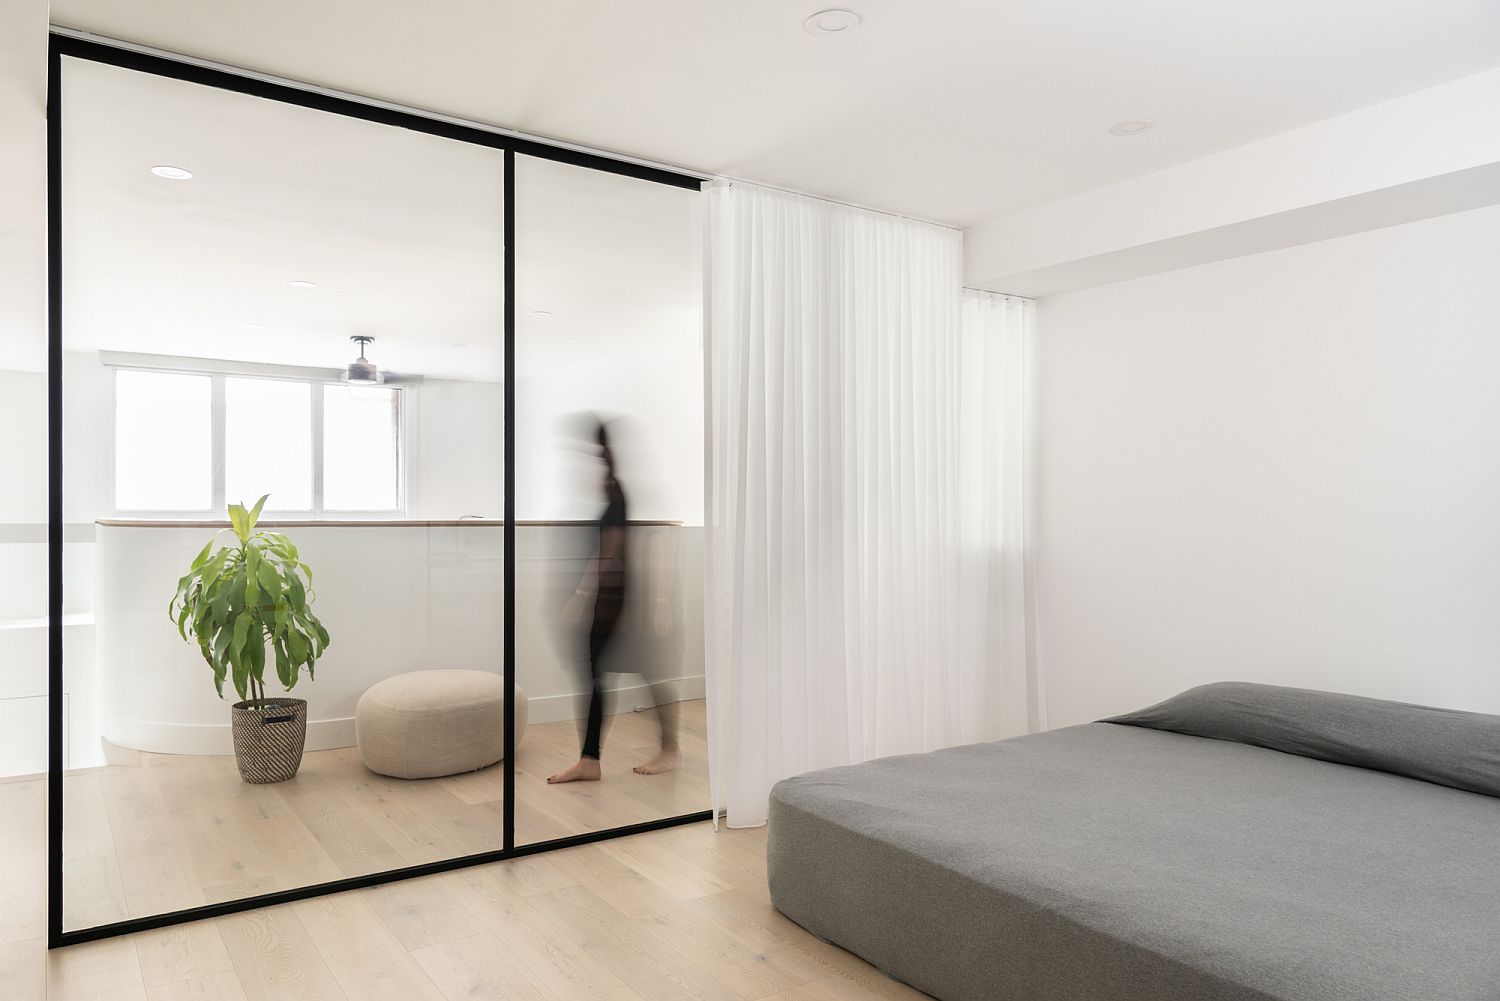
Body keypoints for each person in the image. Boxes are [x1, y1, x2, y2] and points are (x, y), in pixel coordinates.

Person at [548, 418, 680, 783]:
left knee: (650, 675)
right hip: (615, 603)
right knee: (596, 676)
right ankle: (590, 760)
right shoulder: (613, 495)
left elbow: (618, 550)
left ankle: (670, 751)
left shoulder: (619, 493)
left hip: (628, 604)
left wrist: (657, 602)